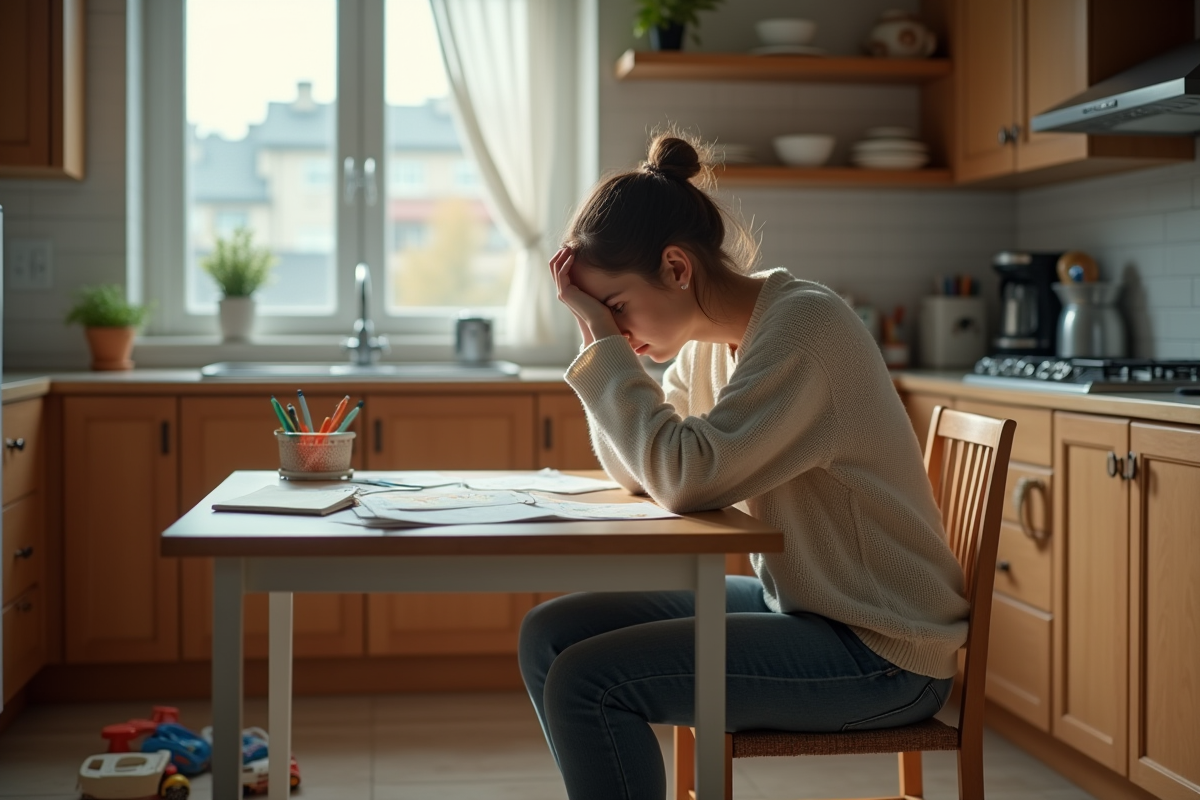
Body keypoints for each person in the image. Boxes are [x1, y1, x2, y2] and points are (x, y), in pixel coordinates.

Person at [518, 131, 969, 800]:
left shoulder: (804, 328)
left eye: (615, 306)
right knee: (549, 635)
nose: (617, 327)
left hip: (883, 649)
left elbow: (683, 478)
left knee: (591, 680)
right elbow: (642, 471)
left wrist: (612, 353)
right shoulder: (709, 343)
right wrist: (599, 340)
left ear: (676, 268)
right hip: (807, 602)